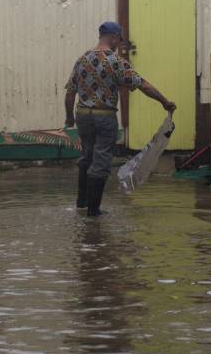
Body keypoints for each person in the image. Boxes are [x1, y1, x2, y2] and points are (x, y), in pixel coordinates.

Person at [65, 21, 175, 217]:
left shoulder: (82, 60)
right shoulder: (115, 62)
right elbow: (143, 85)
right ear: (114, 36)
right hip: (104, 116)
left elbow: (70, 93)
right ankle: (93, 211)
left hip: (82, 115)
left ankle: (81, 204)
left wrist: (69, 119)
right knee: (101, 160)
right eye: (119, 39)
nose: (119, 43)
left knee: (86, 156)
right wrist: (164, 101)